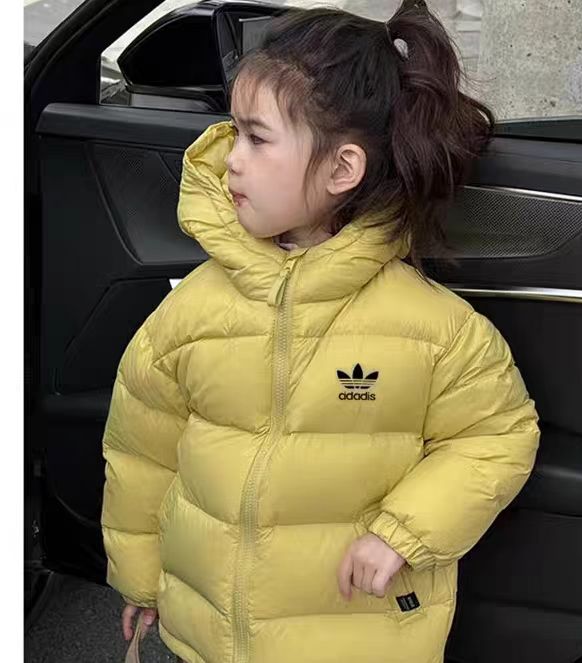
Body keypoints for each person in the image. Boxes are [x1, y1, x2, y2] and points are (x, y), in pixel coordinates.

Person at [100, 1, 541, 661]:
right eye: (233, 132)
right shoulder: (190, 312)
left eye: (256, 138)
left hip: (353, 638)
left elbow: (496, 437)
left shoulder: (436, 331)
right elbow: (142, 454)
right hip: (206, 635)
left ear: (341, 170)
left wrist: (402, 534)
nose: (230, 159)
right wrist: (139, 576)